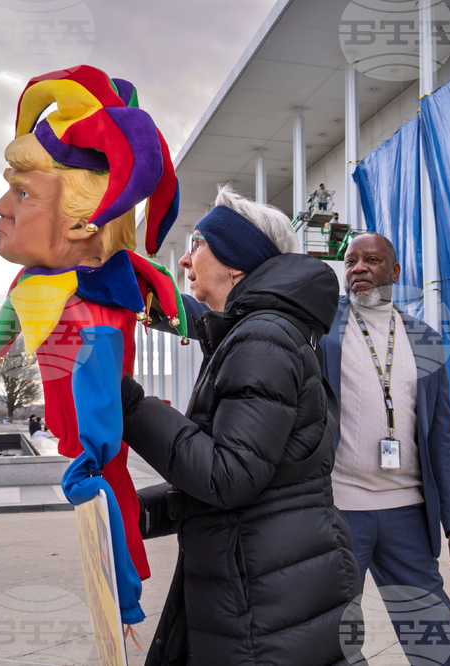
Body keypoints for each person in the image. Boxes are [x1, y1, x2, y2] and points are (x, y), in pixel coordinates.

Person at [0, 65, 187, 624]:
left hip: (91, 442)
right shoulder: (46, 289)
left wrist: (90, 454)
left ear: (81, 226)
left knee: (99, 479)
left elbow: (96, 389)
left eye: (22, 193)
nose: (2, 207)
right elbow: (8, 320)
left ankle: (125, 598)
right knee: (98, 478)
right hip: (85, 437)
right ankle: (123, 593)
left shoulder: (90, 308)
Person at [121, 185, 362, 666]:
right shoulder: (259, 331)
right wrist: (139, 512)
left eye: (197, 244)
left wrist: (129, 406)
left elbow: (228, 475)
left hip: (264, 606)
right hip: (264, 584)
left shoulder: (262, 338)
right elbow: (261, 480)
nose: (186, 262)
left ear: (235, 262)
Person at [320, 231, 450, 665]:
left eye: (371, 260)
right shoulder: (320, 331)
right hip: (339, 512)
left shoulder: (423, 339)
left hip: (407, 513)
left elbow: (441, 436)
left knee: (435, 638)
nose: (359, 269)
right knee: (332, 636)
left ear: (395, 271)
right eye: (351, 262)